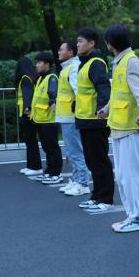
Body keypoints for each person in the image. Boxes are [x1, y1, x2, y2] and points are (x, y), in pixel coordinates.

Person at [102, 24, 139, 233]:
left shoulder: (130, 61)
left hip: (131, 127)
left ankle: (138, 217)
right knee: (122, 176)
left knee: (131, 176)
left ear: (110, 43)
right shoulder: (119, 62)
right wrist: (106, 109)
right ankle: (132, 215)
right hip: (119, 126)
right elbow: (119, 94)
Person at [73, 28, 116, 214]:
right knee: (92, 161)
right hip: (85, 119)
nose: (77, 44)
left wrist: (102, 109)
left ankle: (106, 199)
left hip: (95, 120)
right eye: (77, 41)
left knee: (99, 161)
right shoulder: (85, 63)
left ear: (91, 43)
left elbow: (103, 87)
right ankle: (96, 196)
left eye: (80, 41)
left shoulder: (96, 63)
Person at [55, 37, 91, 197]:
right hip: (66, 117)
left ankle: (82, 183)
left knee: (75, 151)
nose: (59, 52)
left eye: (61, 50)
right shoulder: (66, 68)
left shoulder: (74, 68)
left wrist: (78, 112)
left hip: (71, 117)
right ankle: (77, 180)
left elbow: (78, 91)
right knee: (71, 151)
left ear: (70, 52)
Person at [30, 53, 63, 184]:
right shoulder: (41, 78)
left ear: (47, 64)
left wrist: (53, 102)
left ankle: (56, 173)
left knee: (52, 147)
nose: (36, 65)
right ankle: (49, 171)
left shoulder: (52, 77)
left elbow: (53, 93)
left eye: (39, 62)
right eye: (36, 62)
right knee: (47, 147)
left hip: (49, 119)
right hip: (40, 118)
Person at [14, 56, 42, 177]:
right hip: (31, 113)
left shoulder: (25, 78)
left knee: (30, 141)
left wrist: (27, 108)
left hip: (27, 114)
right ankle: (31, 165)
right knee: (31, 141)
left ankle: (35, 166)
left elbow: (27, 95)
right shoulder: (33, 77)